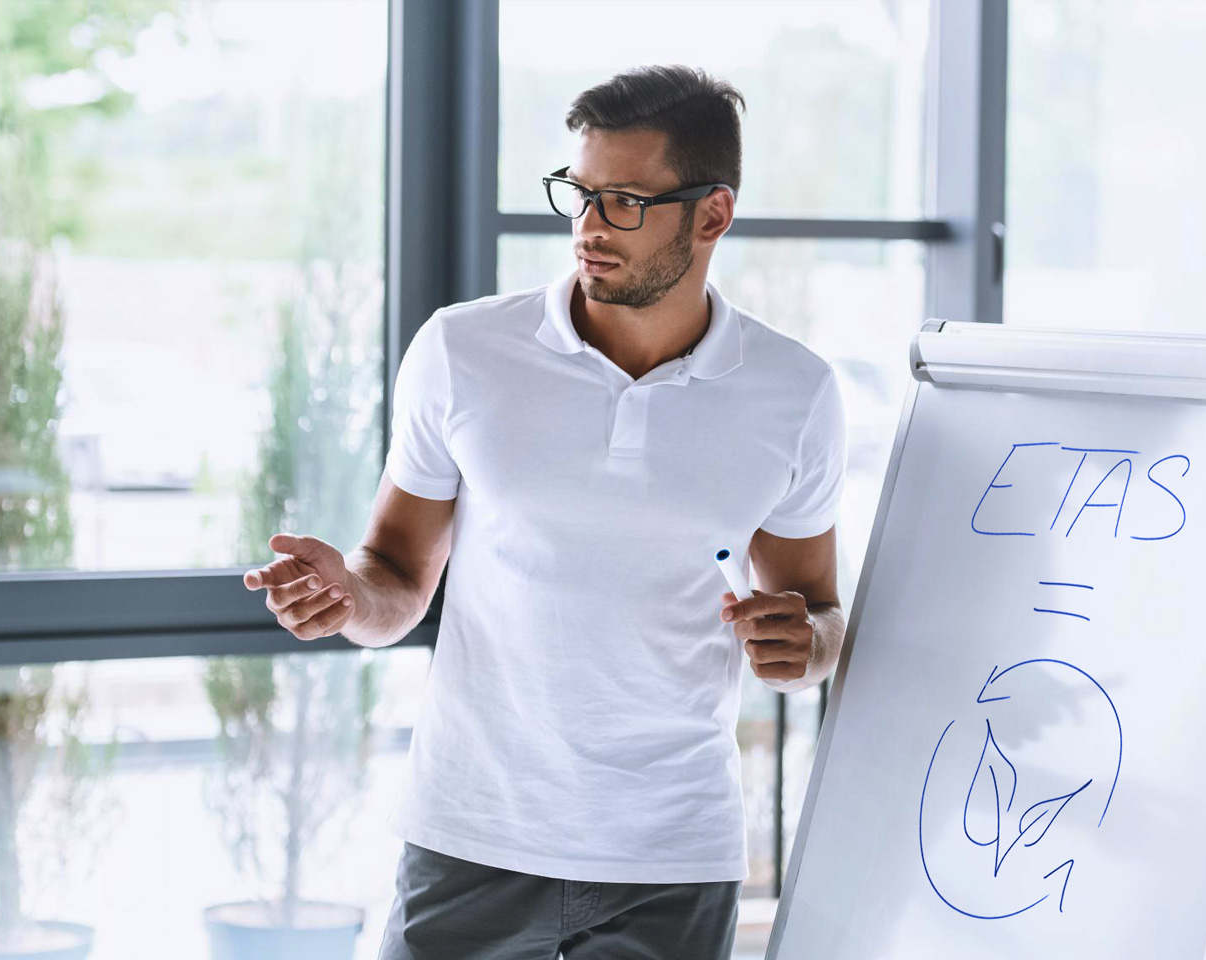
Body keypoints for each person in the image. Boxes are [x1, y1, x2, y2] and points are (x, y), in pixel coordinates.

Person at [243, 63, 848, 960]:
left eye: (626, 202)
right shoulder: (464, 350)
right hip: (470, 833)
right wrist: (347, 600)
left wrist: (805, 649)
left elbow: (818, 614)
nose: (591, 228)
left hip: (673, 854)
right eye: (580, 192)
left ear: (712, 214)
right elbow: (400, 577)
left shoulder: (794, 392)